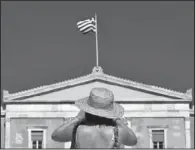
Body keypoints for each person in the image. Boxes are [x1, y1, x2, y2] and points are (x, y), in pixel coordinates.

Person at [52, 87, 137, 148]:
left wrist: (77, 118)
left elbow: (55, 135)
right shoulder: (117, 132)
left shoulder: (77, 129)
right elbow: (133, 141)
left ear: (88, 110)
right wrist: (118, 121)